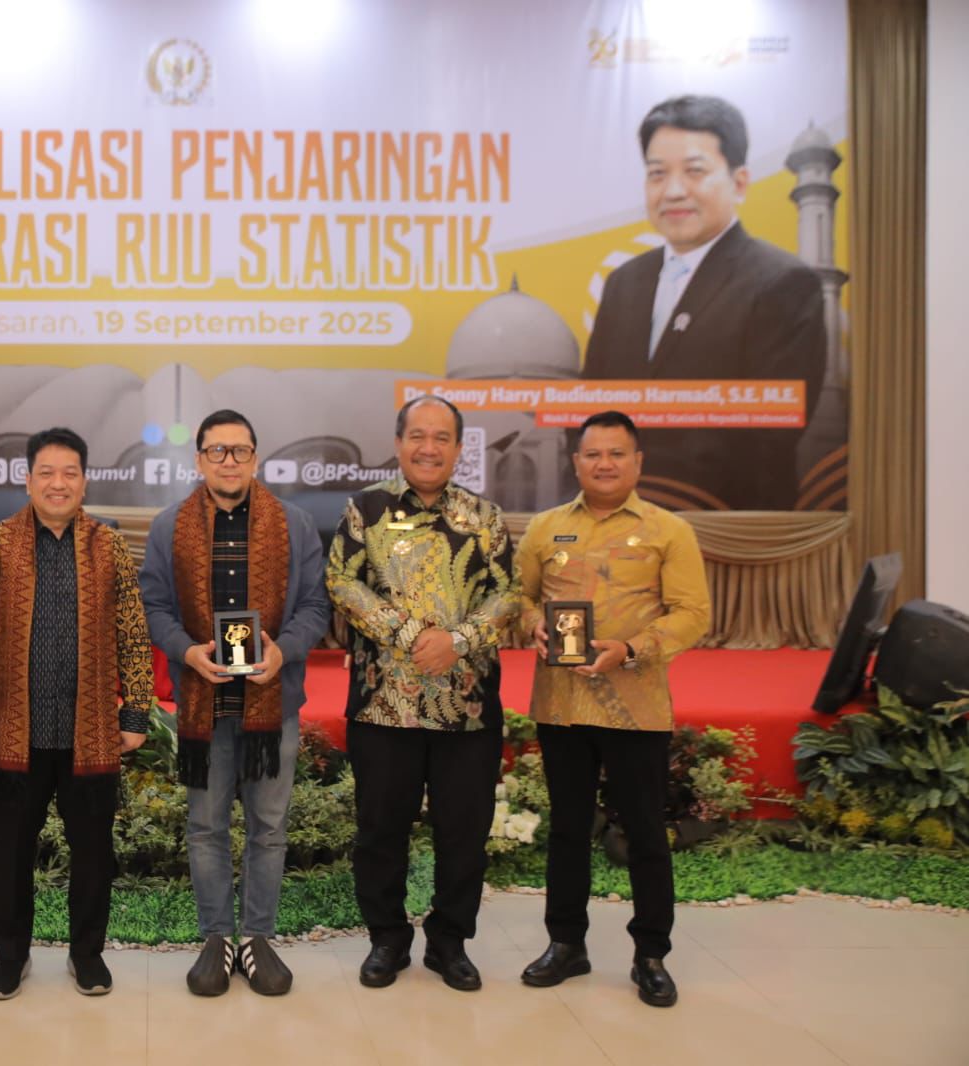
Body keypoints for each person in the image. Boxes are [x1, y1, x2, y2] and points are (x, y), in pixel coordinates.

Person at [0, 427, 157, 1000]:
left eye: (69, 473)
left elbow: (133, 633)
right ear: (28, 480)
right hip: (18, 731)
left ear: (85, 482)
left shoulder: (109, 545)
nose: (58, 483)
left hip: (91, 731)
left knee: (93, 854)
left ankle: (87, 955)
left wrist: (136, 713)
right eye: (46, 472)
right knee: (12, 853)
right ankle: (10, 956)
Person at [514, 410, 711, 1008]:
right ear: (576, 462)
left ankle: (651, 954)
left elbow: (692, 614)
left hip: (635, 706)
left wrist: (631, 649)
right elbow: (520, 598)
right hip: (563, 706)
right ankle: (566, 944)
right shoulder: (545, 528)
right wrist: (532, 625)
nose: (604, 464)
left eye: (616, 453)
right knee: (568, 829)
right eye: (593, 454)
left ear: (638, 462)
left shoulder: (668, 530)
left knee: (645, 831)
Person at [326, 396, 517, 992]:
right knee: (380, 832)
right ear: (398, 442)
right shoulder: (365, 510)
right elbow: (341, 582)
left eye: (441, 438)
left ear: (458, 448)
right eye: (417, 436)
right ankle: (386, 937)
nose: (428, 448)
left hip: (467, 708)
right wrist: (412, 636)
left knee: (464, 834)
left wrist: (457, 641)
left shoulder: (485, 517)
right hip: (383, 705)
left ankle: (449, 942)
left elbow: (509, 595)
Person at [139, 409, 331, 996]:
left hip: (273, 703)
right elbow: (154, 608)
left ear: (255, 458)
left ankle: (258, 937)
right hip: (205, 703)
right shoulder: (169, 527)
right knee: (205, 827)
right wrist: (187, 652)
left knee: (269, 828)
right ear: (199, 459)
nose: (229, 461)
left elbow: (316, 607)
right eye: (217, 451)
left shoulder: (294, 525)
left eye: (240, 450)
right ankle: (217, 937)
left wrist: (284, 651)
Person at [581, 94, 826, 511]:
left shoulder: (783, 283)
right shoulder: (624, 283)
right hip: (613, 522)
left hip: (725, 526)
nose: (673, 191)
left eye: (695, 171)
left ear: (740, 182)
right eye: (657, 174)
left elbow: (770, 438)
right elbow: (589, 408)